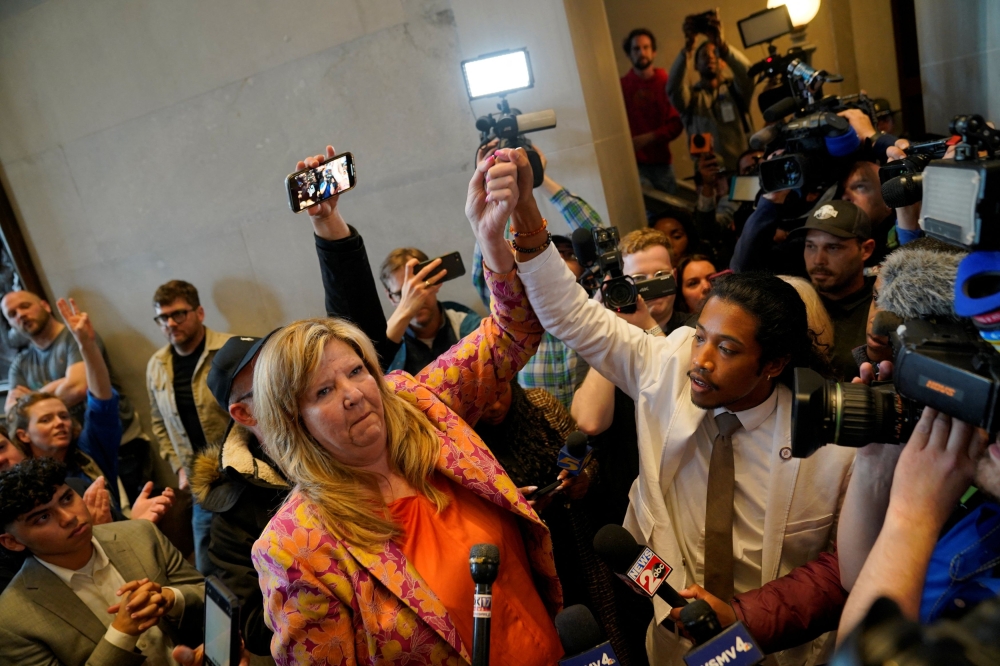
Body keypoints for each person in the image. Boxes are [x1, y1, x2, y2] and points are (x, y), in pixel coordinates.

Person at [497, 148, 856, 665]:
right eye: (701, 336)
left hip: (780, 647)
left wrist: (745, 616)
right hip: (671, 638)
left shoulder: (830, 440)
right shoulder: (668, 362)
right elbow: (566, 312)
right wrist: (527, 208)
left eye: (727, 349)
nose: (700, 361)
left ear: (773, 364)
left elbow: (842, 570)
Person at [250, 147, 563, 665]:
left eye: (356, 372)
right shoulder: (294, 548)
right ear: (293, 421)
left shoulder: (418, 403)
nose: (351, 393)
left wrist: (492, 237)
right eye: (323, 392)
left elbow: (515, 330)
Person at [0, 456, 205, 665]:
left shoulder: (141, 534)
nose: (69, 517)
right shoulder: (10, 621)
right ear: (12, 541)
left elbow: (206, 594)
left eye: (67, 499)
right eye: (43, 517)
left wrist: (171, 598)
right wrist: (121, 634)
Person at [471, 143, 602, 408]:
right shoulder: (515, 314)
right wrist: (499, 198)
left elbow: (595, 234)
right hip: (539, 434)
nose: (557, 260)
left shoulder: (593, 304)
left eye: (567, 254)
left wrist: (539, 182)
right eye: (551, 253)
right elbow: (487, 257)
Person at [1, 290, 152, 503]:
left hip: (123, 450)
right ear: (23, 434)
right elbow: (11, 410)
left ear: (45, 305)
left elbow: (92, 396)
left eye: (63, 416)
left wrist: (86, 345)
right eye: (45, 419)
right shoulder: (24, 477)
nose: (60, 423)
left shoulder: (87, 452)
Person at [146, 280, 234, 574]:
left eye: (178, 314)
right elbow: (159, 424)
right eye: (163, 317)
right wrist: (179, 467)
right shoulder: (157, 365)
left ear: (200, 312)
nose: (170, 323)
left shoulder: (229, 350)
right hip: (200, 485)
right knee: (207, 569)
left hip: (241, 475)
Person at [667, 10, 753, 173]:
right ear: (695, 65)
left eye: (715, 53)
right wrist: (688, 48)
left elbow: (747, 74)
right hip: (709, 177)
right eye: (704, 55)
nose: (710, 57)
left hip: (742, 171)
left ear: (723, 62)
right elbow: (672, 87)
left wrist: (722, 45)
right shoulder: (691, 99)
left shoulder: (735, 91)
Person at [379, 247, 482, 375]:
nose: (415, 299)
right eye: (402, 293)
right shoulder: (387, 344)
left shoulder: (469, 327)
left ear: (436, 282)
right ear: (390, 298)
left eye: (420, 287)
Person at [619, 28, 684, 195]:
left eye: (646, 47)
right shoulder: (621, 87)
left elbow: (677, 124)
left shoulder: (666, 82)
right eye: (636, 48)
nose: (642, 52)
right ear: (629, 53)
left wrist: (650, 137)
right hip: (635, 166)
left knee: (673, 214)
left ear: (653, 51)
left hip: (662, 164)